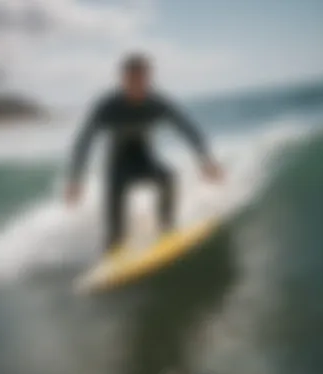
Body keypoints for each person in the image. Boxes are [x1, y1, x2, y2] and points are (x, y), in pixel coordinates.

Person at [65, 53, 223, 253]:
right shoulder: (108, 106)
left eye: (143, 78)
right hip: (116, 166)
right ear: (123, 79)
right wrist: (75, 179)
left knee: (168, 178)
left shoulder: (156, 103)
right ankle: (113, 253)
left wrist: (206, 160)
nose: (138, 84)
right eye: (133, 79)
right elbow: (84, 141)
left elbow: (187, 128)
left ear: (149, 78)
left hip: (143, 159)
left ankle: (166, 230)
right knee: (116, 233)